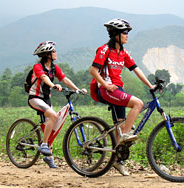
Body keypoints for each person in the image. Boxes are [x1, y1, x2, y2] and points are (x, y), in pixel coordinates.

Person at [90, 19, 155, 176]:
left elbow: (136, 69)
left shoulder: (123, 52)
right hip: (107, 90)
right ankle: (125, 136)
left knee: (121, 125)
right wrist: (105, 85)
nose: (127, 35)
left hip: (117, 90)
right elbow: (93, 71)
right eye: (124, 32)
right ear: (115, 34)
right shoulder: (105, 50)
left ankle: (118, 161)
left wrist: (150, 85)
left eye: (128, 32)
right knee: (138, 104)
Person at [29, 41, 86, 168]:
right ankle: (44, 145)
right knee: (54, 116)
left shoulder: (55, 68)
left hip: (46, 100)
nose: (56, 53)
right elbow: (44, 78)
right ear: (47, 54)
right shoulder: (38, 67)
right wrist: (53, 85)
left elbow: (65, 79)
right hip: (35, 98)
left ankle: (48, 157)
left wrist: (77, 89)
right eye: (53, 51)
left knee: (53, 125)